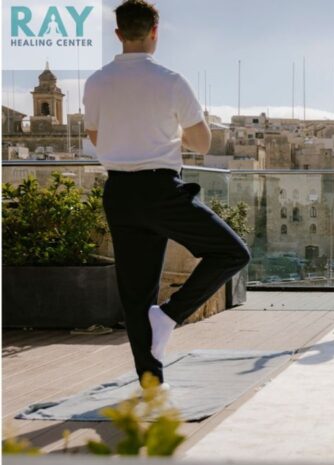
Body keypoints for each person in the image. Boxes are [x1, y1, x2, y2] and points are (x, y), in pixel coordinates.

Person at [83, 0, 251, 386]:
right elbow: (204, 143)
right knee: (231, 252)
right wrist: (173, 133)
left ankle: (150, 380)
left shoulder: (96, 82)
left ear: (119, 33)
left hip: (120, 191)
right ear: (155, 33)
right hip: (160, 189)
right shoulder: (170, 81)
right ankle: (171, 315)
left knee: (136, 291)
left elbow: (95, 136)